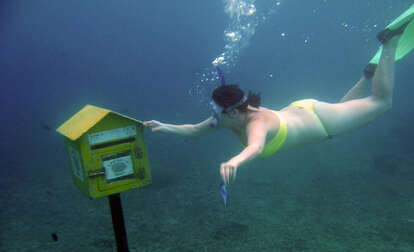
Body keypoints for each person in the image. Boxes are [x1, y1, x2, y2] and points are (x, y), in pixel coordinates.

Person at [144, 8, 414, 186]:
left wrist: (233, 161)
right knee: (345, 108)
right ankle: (367, 76)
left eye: (216, 112)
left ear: (234, 112)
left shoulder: (256, 124)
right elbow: (193, 130)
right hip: (308, 112)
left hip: (321, 122)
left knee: (381, 102)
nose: (212, 118)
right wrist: (163, 127)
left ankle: (390, 42)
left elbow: (255, 147)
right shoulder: (228, 118)